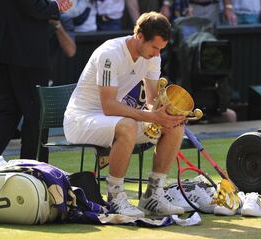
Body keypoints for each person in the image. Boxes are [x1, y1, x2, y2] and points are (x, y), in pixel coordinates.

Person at [64, 12, 186, 217]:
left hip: (112, 120)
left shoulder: (152, 57)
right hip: (80, 121)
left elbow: (151, 102)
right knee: (128, 125)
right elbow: (109, 106)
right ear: (139, 37)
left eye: (161, 49)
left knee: (174, 127)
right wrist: (152, 117)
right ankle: (115, 197)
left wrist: (168, 113)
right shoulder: (110, 53)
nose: (157, 54)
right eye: (155, 47)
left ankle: (153, 196)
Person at [0, 0, 73, 169]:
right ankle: (33, 171)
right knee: (35, 113)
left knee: (8, 112)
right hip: (22, 47)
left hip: (3, 44)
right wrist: (55, 6)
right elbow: (32, 6)